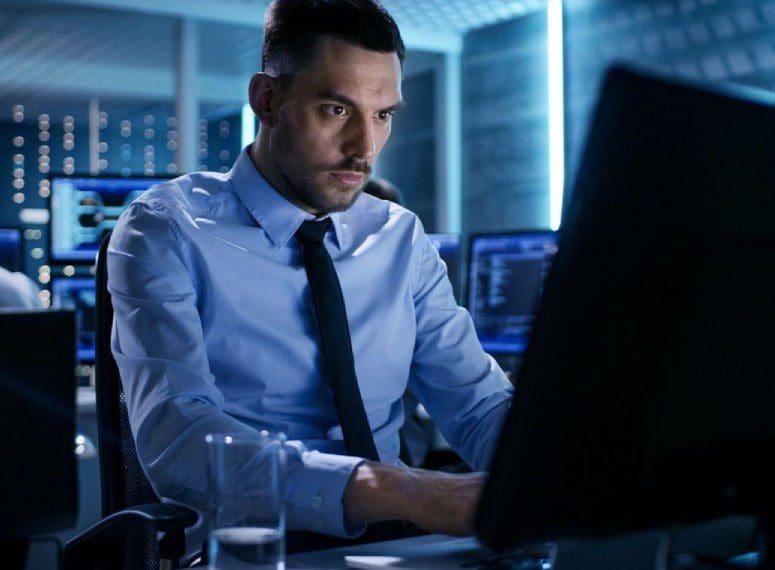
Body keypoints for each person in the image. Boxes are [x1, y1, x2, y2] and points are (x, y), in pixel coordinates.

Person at [107, 0, 513, 546]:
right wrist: (398, 490)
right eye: (336, 110)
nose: (365, 150)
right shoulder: (165, 231)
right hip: (254, 550)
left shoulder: (399, 236)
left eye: (383, 115)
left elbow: (477, 402)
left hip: (398, 548)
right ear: (267, 100)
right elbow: (180, 439)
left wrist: (545, 470)